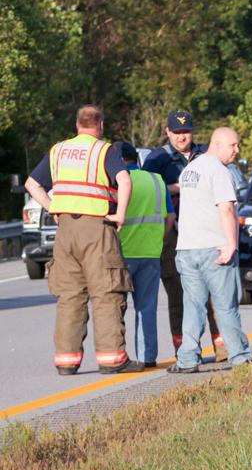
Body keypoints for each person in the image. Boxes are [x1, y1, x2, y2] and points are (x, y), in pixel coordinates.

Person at [24, 105, 143, 374]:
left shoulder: (58, 151)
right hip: (97, 229)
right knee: (106, 293)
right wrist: (121, 214)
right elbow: (124, 180)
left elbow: (32, 184)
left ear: (77, 125)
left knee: (70, 296)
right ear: (100, 125)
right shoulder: (105, 150)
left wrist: (52, 207)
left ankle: (66, 361)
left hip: (66, 231)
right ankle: (112, 359)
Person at [168, 127, 252, 373]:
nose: (237, 151)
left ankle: (187, 358)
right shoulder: (219, 171)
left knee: (193, 306)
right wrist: (232, 245)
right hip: (214, 248)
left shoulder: (189, 170)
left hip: (186, 249)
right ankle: (239, 355)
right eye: (233, 145)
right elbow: (226, 209)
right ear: (217, 144)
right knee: (226, 305)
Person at [142, 111, 225, 360]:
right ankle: (185, 349)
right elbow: (148, 189)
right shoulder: (156, 159)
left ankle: (223, 346)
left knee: (213, 291)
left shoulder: (205, 155)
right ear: (167, 132)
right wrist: (180, 186)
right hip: (173, 232)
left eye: (186, 131)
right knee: (178, 294)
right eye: (176, 132)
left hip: (205, 230)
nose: (182, 137)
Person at [116, 142, 174, 368]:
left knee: (114, 309)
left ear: (118, 161)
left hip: (120, 255)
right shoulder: (157, 180)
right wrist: (158, 239)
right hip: (151, 252)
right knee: (146, 308)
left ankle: (117, 356)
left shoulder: (115, 182)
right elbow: (170, 217)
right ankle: (147, 357)